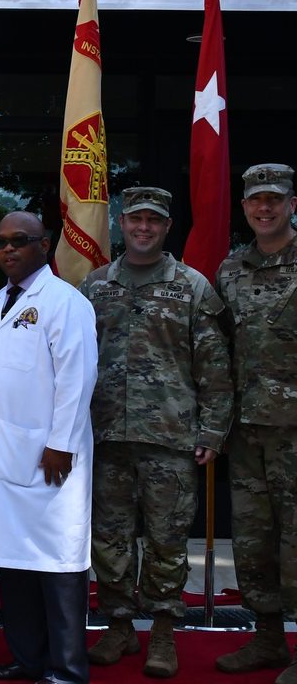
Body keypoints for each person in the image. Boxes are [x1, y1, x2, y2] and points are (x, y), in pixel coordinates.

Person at [78, 187, 232, 678]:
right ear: (122, 223)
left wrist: (212, 430)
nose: (144, 227)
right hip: (106, 439)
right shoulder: (95, 286)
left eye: (154, 221)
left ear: (167, 228)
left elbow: (214, 367)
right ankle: (120, 625)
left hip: (172, 437)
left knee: (166, 541)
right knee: (109, 539)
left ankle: (163, 632)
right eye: (136, 219)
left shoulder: (192, 286)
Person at [0, 211, 98, 684]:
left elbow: (77, 381)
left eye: (20, 240)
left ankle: (65, 668)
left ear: (45, 244)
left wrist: (60, 445)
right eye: (1, 242)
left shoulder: (65, 302)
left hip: (49, 463)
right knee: (12, 563)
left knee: (57, 563)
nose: (9, 249)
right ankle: (27, 657)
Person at [214, 163, 297, 684]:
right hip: (246, 430)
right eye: (254, 202)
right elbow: (220, 348)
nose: (263, 209)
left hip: (295, 431)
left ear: (293, 203)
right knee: (252, 539)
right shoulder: (231, 269)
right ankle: (267, 638)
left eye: (274, 199)